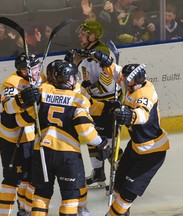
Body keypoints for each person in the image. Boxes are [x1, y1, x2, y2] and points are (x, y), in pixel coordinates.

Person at [18, 61, 109, 216]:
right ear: (68, 80)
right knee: (70, 197)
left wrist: (26, 102)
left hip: (42, 153)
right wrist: (101, 144)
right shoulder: (78, 99)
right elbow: (86, 132)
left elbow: (22, 121)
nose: (75, 80)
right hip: (67, 156)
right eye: (73, 77)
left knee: (41, 195)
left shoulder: (43, 93)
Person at [105, 64, 170, 216]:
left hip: (152, 152)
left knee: (128, 191)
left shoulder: (144, 94)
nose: (123, 81)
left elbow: (142, 115)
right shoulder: (132, 85)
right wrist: (104, 61)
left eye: (127, 79)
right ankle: (122, 213)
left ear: (136, 80)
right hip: (135, 146)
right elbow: (117, 73)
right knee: (118, 183)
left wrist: (128, 115)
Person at [65, 20, 123, 190]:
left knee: (111, 144)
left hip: (107, 105)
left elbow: (109, 85)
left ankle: (119, 177)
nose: (80, 36)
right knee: (93, 140)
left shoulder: (101, 54)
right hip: (94, 104)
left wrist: (87, 87)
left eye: (84, 34)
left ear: (93, 36)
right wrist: (71, 64)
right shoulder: (87, 52)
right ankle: (98, 173)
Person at [0, 52, 42, 216]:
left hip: (32, 139)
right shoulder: (11, 82)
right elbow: (7, 107)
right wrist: (22, 99)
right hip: (12, 141)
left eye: (37, 67)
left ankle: (24, 211)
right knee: (12, 180)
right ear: (21, 70)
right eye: (31, 69)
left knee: (29, 179)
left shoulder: (40, 79)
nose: (35, 72)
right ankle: (4, 213)